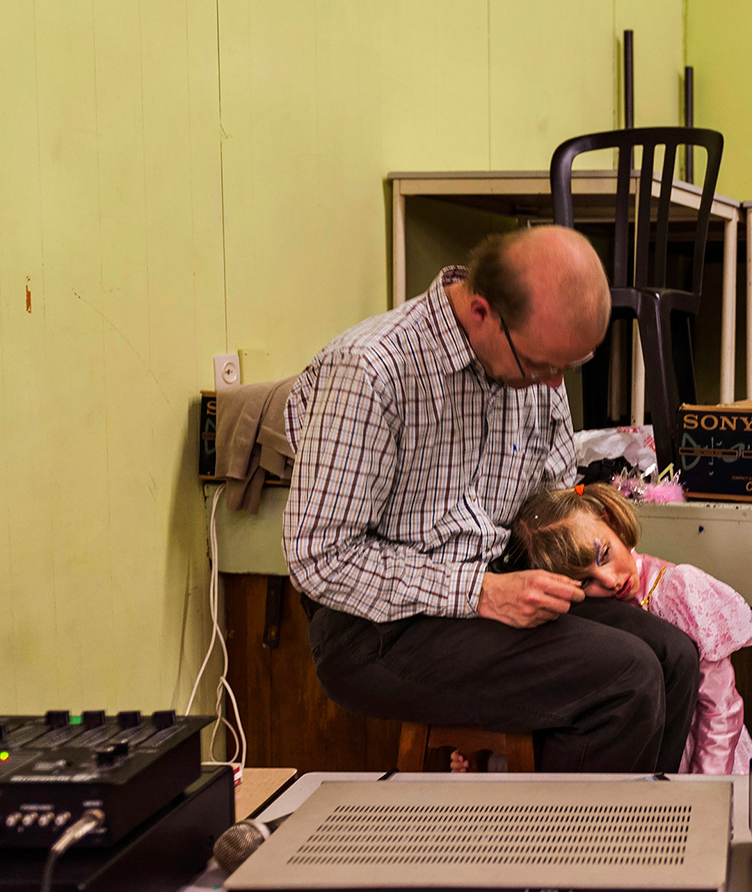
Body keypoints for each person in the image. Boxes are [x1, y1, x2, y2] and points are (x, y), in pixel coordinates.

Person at [283, 226, 700, 772]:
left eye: (567, 368)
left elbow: (546, 506)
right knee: (625, 680)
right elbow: (319, 557)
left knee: (673, 657)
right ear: (481, 312)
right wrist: (480, 592)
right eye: (541, 365)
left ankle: (632, 842)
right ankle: (553, 855)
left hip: (496, 591)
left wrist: (588, 563)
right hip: (376, 629)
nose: (554, 386)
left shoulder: (529, 364)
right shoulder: (370, 371)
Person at [511, 483, 752, 775]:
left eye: (603, 554)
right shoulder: (582, 619)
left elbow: (720, 707)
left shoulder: (680, 590)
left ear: (611, 520)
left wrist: (707, 786)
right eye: (584, 583)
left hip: (704, 760)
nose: (609, 580)